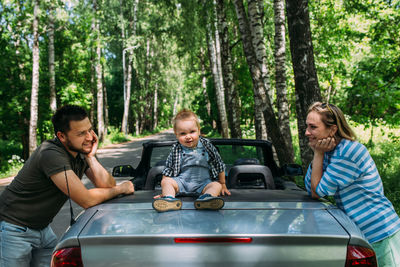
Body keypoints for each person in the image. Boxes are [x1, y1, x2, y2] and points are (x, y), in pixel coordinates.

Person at [0, 105, 134, 267]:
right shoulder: (50, 154)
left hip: (42, 229)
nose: (90, 137)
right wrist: (122, 188)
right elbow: (86, 200)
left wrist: (90, 157)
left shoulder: (81, 150)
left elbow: (106, 184)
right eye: (81, 133)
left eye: (90, 130)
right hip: (13, 229)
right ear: (62, 136)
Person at [304, 102, 400, 266]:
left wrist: (318, 153)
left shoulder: (348, 152)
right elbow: (310, 186)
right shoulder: (330, 152)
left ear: (333, 129)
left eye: (313, 127)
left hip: (380, 231)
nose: (307, 132)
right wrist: (318, 155)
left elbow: (317, 192)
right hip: (363, 232)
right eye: (307, 126)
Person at [152, 109, 230, 212]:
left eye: (192, 132)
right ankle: (169, 199)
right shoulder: (176, 149)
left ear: (199, 131)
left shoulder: (207, 146)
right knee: (166, 181)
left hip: (203, 184)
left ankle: (206, 199)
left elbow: (218, 164)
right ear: (176, 135)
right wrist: (166, 191)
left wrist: (223, 184)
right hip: (181, 183)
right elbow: (169, 169)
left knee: (216, 185)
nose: (188, 136)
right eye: (183, 133)